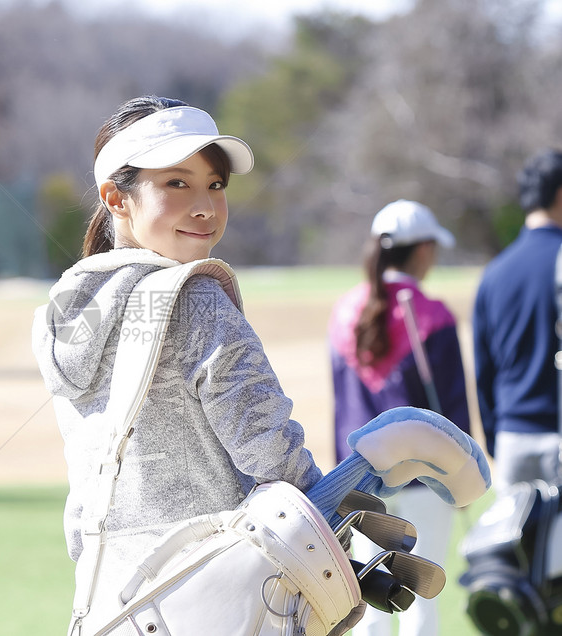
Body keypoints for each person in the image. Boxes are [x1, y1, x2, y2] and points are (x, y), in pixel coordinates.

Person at [32, 96, 329, 634]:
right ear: (115, 198)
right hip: (219, 599)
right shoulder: (194, 301)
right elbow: (275, 459)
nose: (205, 206)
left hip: (107, 606)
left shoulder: (63, 310)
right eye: (176, 183)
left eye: (215, 185)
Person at [327, 199, 471, 636]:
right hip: (426, 479)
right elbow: (454, 410)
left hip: (361, 481)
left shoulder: (344, 311)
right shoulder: (432, 314)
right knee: (421, 604)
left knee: (371, 596)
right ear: (423, 249)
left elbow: (339, 405)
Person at [473, 148, 562, 490]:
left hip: (513, 437)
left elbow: (484, 371)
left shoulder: (494, 274)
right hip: (556, 431)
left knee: (515, 544)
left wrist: (497, 438)